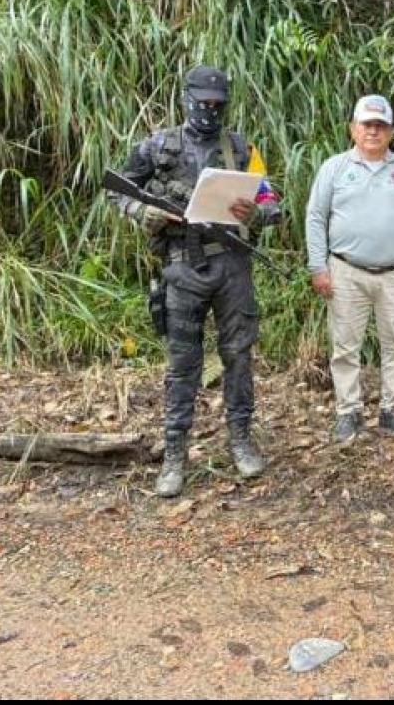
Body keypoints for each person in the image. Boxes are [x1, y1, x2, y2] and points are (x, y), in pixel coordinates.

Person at [109, 65, 281, 497]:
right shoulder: (158, 145)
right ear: (186, 98)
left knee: (238, 356)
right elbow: (117, 190)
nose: (210, 110)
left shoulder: (241, 148)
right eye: (203, 102)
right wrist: (143, 212)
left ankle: (240, 440)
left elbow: (270, 199)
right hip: (182, 265)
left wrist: (258, 213)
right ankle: (174, 454)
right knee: (182, 364)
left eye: (217, 104)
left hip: (231, 265)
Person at [305, 95, 394, 443]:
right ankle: (348, 412)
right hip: (346, 270)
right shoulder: (334, 168)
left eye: (380, 125)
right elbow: (315, 217)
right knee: (346, 346)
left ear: (391, 131)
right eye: (367, 124)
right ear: (353, 129)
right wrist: (319, 266)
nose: (373, 131)